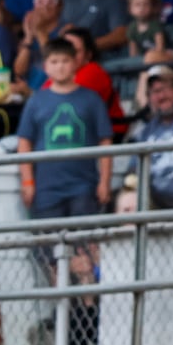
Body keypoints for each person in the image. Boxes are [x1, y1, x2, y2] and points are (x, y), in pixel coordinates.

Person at [17, 38, 113, 220]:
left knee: (85, 243)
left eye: (65, 61)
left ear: (75, 63)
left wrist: (105, 182)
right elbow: (24, 142)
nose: (60, 67)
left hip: (84, 185)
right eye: (54, 62)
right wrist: (28, 182)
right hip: (45, 188)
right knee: (44, 243)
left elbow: (105, 141)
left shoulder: (92, 99)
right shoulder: (36, 102)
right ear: (45, 66)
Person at [129, 66, 173, 210]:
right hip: (157, 205)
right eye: (155, 92)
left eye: (165, 89)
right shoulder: (146, 131)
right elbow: (133, 172)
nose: (161, 96)